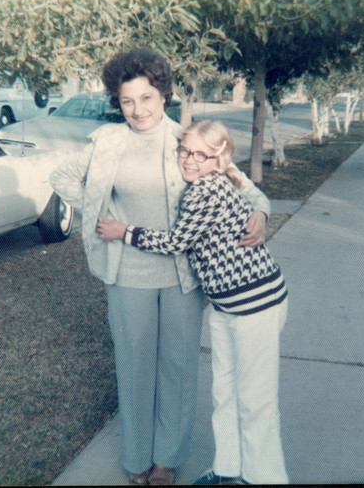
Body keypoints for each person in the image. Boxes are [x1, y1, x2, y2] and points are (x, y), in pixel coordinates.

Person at [50, 48, 270, 485]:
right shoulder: (108, 142)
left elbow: (245, 189)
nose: (138, 110)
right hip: (127, 275)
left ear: (164, 95)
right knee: (133, 367)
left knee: (178, 367)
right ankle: (135, 459)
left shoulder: (187, 140)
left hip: (183, 278)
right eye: (128, 101)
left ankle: (167, 459)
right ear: (117, 101)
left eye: (147, 98)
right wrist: (97, 214)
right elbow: (62, 178)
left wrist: (260, 213)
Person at [96, 119, 289, 485]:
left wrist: (124, 231)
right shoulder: (206, 183)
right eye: (185, 151)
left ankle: (266, 478)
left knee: (255, 400)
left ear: (220, 159)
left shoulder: (206, 190)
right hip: (226, 305)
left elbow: (175, 242)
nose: (190, 160)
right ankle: (229, 469)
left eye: (202, 155)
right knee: (226, 393)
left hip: (255, 304)